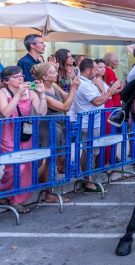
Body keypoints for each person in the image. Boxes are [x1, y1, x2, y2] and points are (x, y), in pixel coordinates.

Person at [0, 66, 47, 213]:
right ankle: (3, 191)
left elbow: (41, 112)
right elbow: (6, 112)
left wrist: (42, 95)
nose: (21, 78)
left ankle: (16, 200)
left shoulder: (30, 92)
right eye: (16, 76)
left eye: (21, 75)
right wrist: (17, 95)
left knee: (26, 168)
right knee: (14, 168)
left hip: (26, 134)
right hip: (8, 134)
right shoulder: (2, 92)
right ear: (6, 81)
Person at [32, 62, 79, 202]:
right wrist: (74, 89)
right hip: (48, 127)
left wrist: (73, 85)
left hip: (58, 125)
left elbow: (67, 97)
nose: (56, 74)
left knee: (56, 158)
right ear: (45, 77)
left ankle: (44, 185)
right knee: (50, 158)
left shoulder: (54, 85)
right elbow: (65, 106)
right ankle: (49, 193)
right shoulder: (42, 92)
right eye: (53, 72)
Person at [71, 59, 120, 192]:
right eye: (95, 69)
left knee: (90, 151)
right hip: (89, 124)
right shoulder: (84, 84)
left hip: (93, 122)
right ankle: (88, 181)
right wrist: (111, 91)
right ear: (87, 70)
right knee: (90, 152)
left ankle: (88, 179)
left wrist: (104, 89)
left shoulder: (89, 82)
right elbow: (98, 101)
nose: (98, 71)